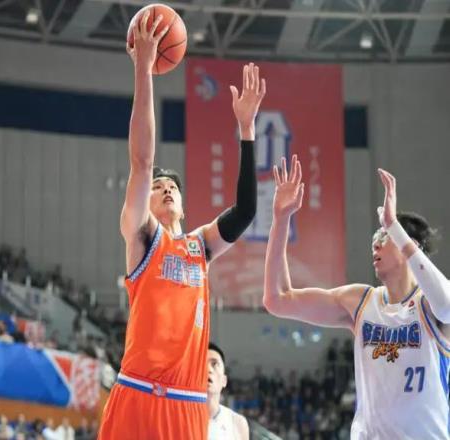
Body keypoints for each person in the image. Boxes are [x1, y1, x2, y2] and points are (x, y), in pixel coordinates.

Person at [98, 9, 266, 440]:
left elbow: (246, 211)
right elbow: (141, 161)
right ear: (146, 202)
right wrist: (143, 69)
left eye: (172, 186)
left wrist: (246, 130)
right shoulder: (141, 236)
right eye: (158, 188)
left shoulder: (199, 246)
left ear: (185, 207)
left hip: (187, 406)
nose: (166, 189)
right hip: (138, 393)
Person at [263, 157, 449, 439]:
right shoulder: (361, 301)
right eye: (375, 237)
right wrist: (280, 220)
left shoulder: (429, 304)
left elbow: (447, 307)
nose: (375, 244)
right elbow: (277, 299)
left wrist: (394, 226)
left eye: (384, 236)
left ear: (408, 245)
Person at [207, 342, 249, 440]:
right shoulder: (179, 420)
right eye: (202, 364)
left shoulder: (237, 423)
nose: (208, 370)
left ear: (224, 380)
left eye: (214, 364)